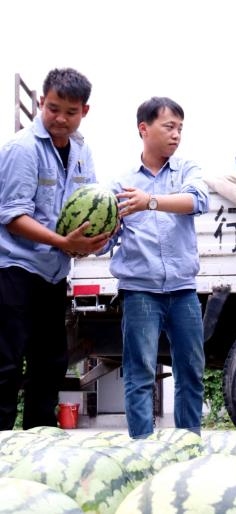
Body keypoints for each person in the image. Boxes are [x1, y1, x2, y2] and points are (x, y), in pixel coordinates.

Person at [0, 68, 111, 430]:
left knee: (50, 363)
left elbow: (89, 204)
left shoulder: (81, 151)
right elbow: (13, 216)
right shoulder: (22, 149)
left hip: (52, 272)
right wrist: (64, 242)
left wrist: (95, 239)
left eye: (70, 111)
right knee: (6, 362)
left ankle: (37, 440)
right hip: (14, 269)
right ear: (40, 103)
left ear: (85, 112)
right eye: (53, 108)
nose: (61, 119)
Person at [109, 96, 209, 439]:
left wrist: (149, 202)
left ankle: (188, 443)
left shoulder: (186, 171)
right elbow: (109, 238)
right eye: (169, 126)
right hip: (140, 291)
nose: (176, 135)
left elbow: (198, 201)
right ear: (144, 129)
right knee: (139, 374)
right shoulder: (120, 186)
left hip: (183, 290)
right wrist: (98, 232)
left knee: (191, 372)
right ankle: (141, 447)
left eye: (180, 128)